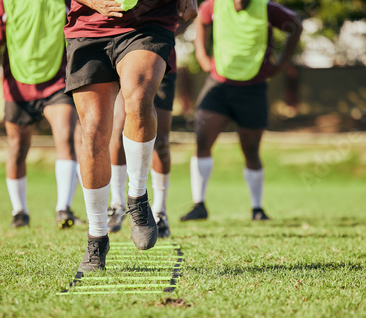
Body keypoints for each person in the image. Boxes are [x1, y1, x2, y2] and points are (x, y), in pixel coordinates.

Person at [64, 0, 197, 274]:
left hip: (147, 22)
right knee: (92, 134)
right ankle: (97, 237)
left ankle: (137, 197)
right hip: (88, 28)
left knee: (137, 100)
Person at [180, 0, 302, 222]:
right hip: (218, 85)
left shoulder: (267, 8)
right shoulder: (214, 6)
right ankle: (199, 204)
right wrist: (201, 54)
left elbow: (295, 26)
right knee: (202, 142)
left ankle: (257, 209)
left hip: (253, 89)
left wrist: (282, 63)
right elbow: (201, 21)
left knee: (251, 151)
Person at [0, 0, 83, 229]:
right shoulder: (5, 4)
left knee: (66, 137)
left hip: (57, 83)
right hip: (17, 84)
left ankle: (63, 209)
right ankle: (20, 212)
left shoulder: (67, 2)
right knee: (17, 148)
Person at [106, 48, 178, 238]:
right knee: (119, 127)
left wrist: (166, 30)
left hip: (161, 58)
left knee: (160, 140)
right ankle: (117, 203)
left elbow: (188, 18)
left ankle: (160, 210)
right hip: (127, 58)